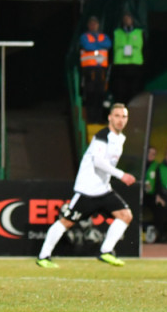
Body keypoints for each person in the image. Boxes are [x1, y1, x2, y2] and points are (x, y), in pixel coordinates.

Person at [36, 103, 137, 268]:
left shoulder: (120, 138)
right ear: (110, 117)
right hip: (87, 191)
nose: (120, 120)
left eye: (124, 116)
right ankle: (43, 256)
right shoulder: (102, 136)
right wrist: (121, 175)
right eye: (117, 116)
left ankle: (106, 251)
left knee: (126, 215)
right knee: (66, 222)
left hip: (104, 190)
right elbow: (98, 162)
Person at [79, 16, 111, 123]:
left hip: (101, 70)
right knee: (91, 93)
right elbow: (87, 46)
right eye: (91, 23)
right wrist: (99, 46)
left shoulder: (103, 36)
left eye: (95, 23)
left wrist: (95, 45)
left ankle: (99, 118)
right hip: (89, 69)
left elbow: (108, 44)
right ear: (88, 25)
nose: (93, 25)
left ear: (98, 25)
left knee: (100, 93)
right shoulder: (84, 36)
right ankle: (91, 118)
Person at [111, 13, 144, 105]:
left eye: (129, 18)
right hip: (120, 66)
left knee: (134, 90)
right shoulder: (117, 33)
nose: (127, 20)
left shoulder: (139, 32)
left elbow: (145, 49)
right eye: (125, 18)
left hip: (135, 65)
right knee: (121, 91)